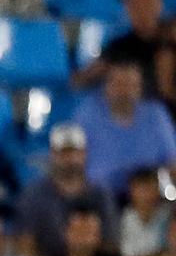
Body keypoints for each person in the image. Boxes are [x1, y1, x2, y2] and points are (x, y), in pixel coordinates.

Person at [71, 57, 176, 198]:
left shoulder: (156, 115)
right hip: (100, 197)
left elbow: (172, 161)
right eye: (119, 84)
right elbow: (72, 159)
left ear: (140, 87)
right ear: (106, 86)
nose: (124, 92)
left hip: (147, 200)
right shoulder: (87, 114)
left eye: (131, 85)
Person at [15, 124, 117, 256]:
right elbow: (26, 244)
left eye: (74, 152)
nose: (69, 159)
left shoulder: (100, 194)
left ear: (84, 153)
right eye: (63, 153)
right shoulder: (34, 196)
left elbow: (109, 243)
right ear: (52, 154)